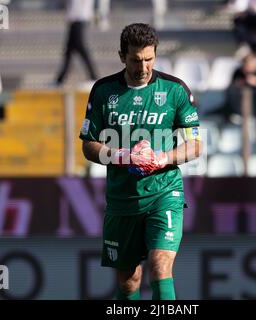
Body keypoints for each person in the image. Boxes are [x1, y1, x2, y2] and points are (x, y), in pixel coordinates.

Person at [79, 23, 202, 300]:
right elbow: (88, 145)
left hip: (164, 191)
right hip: (123, 198)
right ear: (122, 56)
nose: (143, 67)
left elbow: (195, 145)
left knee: (160, 266)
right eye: (136, 60)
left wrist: (162, 158)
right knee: (128, 281)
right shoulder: (103, 91)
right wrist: (123, 156)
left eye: (149, 59)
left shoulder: (175, 90)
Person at [54, 0, 98, 86]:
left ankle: (93, 77)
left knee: (81, 49)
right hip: (75, 20)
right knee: (69, 51)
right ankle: (59, 80)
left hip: (79, 19)